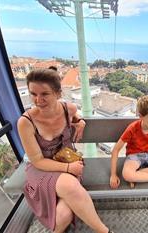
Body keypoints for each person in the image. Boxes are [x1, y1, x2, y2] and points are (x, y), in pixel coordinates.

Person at [17, 69, 113, 233]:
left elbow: (75, 115)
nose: (38, 100)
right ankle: (104, 231)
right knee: (69, 186)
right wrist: (69, 169)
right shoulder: (26, 122)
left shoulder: (69, 109)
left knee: (64, 215)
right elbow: (37, 161)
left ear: (58, 94)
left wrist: (80, 121)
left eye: (44, 94)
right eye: (33, 94)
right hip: (43, 169)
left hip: (67, 160)